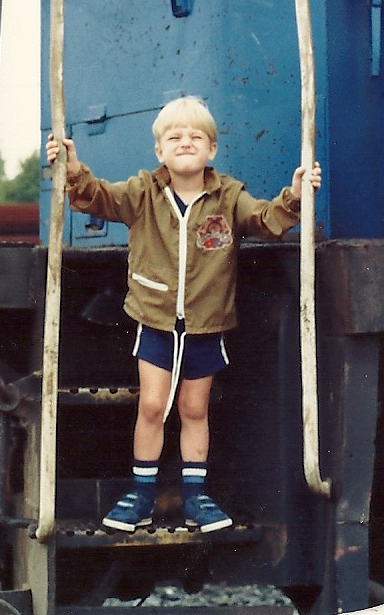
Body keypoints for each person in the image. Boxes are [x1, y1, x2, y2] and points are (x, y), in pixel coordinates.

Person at [46, 95, 321, 533]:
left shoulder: (229, 197)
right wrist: (74, 170)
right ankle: (141, 495)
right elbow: (98, 199)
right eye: (175, 136)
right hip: (155, 322)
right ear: (160, 151)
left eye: (196, 136)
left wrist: (294, 195)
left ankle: (196, 498)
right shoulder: (142, 193)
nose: (185, 142)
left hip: (205, 326)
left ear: (212, 149)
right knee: (152, 406)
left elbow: (267, 219)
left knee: (195, 409)